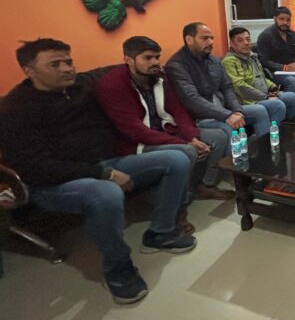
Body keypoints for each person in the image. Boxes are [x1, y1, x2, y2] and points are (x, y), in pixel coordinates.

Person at [0, 39, 196, 305]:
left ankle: (161, 232)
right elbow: (36, 167)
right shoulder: (16, 109)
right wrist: (103, 173)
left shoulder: (82, 88)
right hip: (55, 183)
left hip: (107, 161)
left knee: (178, 159)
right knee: (105, 193)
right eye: (55, 64)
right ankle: (119, 270)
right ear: (29, 70)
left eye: (68, 61)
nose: (67, 68)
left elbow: (122, 97)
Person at [95, 36, 232, 202]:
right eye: (148, 58)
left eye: (157, 57)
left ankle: (204, 185)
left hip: (166, 131)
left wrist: (193, 137)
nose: (155, 62)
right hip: (137, 144)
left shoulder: (160, 76)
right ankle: (181, 201)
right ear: (128, 60)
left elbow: (178, 110)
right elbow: (135, 130)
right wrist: (185, 143)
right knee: (188, 150)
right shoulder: (112, 85)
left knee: (219, 136)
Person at [166, 22, 285, 151]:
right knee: (228, 127)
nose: (211, 42)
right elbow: (192, 99)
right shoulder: (177, 65)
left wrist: (237, 110)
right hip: (201, 117)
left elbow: (227, 87)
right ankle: (236, 162)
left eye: (211, 38)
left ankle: (267, 152)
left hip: (225, 110)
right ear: (189, 39)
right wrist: (227, 115)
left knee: (259, 111)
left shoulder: (213, 61)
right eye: (205, 38)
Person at [222, 27, 295, 122]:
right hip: (248, 101)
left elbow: (261, 76)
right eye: (240, 40)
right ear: (232, 44)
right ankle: (273, 130)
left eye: (248, 39)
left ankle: (287, 125)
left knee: (292, 97)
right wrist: (266, 97)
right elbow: (239, 86)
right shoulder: (229, 61)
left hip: (264, 94)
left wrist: (273, 88)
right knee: (277, 105)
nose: (246, 43)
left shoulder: (252, 56)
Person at [256, 6, 295, 93]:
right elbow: (263, 60)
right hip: (274, 72)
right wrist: (284, 67)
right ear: (275, 19)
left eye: (288, 20)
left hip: (293, 71)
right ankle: (289, 101)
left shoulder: (293, 35)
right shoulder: (265, 36)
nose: (285, 22)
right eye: (281, 19)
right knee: (292, 80)